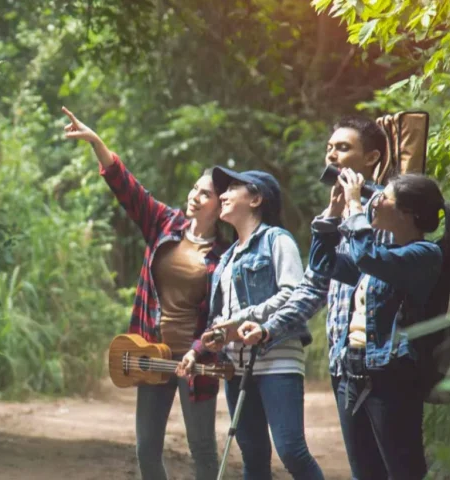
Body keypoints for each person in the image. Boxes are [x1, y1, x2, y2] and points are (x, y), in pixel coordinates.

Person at [62, 106, 226, 480]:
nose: (195, 196)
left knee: (202, 450)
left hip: (196, 361)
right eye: (195, 189)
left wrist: (201, 349)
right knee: (146, 450)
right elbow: (127, 187)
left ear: (221, 206)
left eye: (206, 194)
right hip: (153, 353)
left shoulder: (225, 255)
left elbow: (222, 314)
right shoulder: (164, 223)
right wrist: (96, 142)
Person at [311, 169, 450, 479]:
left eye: (383, 198)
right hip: (352, 373)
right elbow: (323, 263)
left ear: (407, 213)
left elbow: (366, 258)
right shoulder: (382, 254)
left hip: (391, 379)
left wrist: (355, 205)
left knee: (403, 471)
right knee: (365, 473)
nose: (374, 203)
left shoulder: (424, 255)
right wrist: (333, 212)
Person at [251, 116, 391, 478]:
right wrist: (269, 329)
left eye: (343, 148)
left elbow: (379, 271)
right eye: (330, 147)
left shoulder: (389, 210)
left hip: (384, 364)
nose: (332, 155)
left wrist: (356, 207)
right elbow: (314, 286)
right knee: (363, 471)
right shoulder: (335, 216)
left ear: (372, 157)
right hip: (343, 365)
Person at [178, 167, 326, 480]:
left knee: (291, 451)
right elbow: (220, 317)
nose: (224, 195)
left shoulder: (277, 239)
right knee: (253, 454)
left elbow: (293, 293)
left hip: (277, 360)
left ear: (256, 199)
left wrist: (242, 320)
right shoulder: (227, 257)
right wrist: (202, 346)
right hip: (237, 367)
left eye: (233, 187)